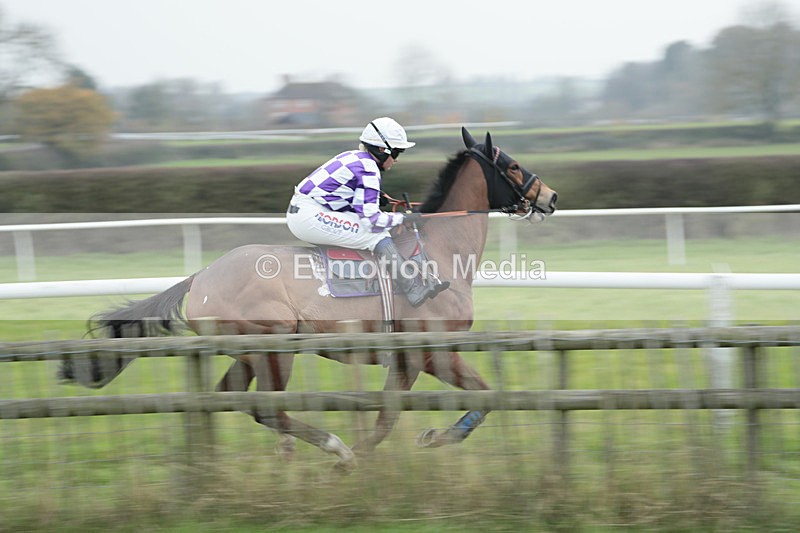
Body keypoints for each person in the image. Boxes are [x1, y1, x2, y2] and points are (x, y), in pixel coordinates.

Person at [286, 116, 447, 307]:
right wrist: (403, 219)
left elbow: (345, 196)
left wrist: (378, 198)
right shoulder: (369, 169)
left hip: (308, 210)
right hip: (310, 216)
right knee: (375, 235)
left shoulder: (354, 156)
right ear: (381, 150)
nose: (396, 160)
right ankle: (412, 287)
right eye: (396, 153)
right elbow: (372, 220)